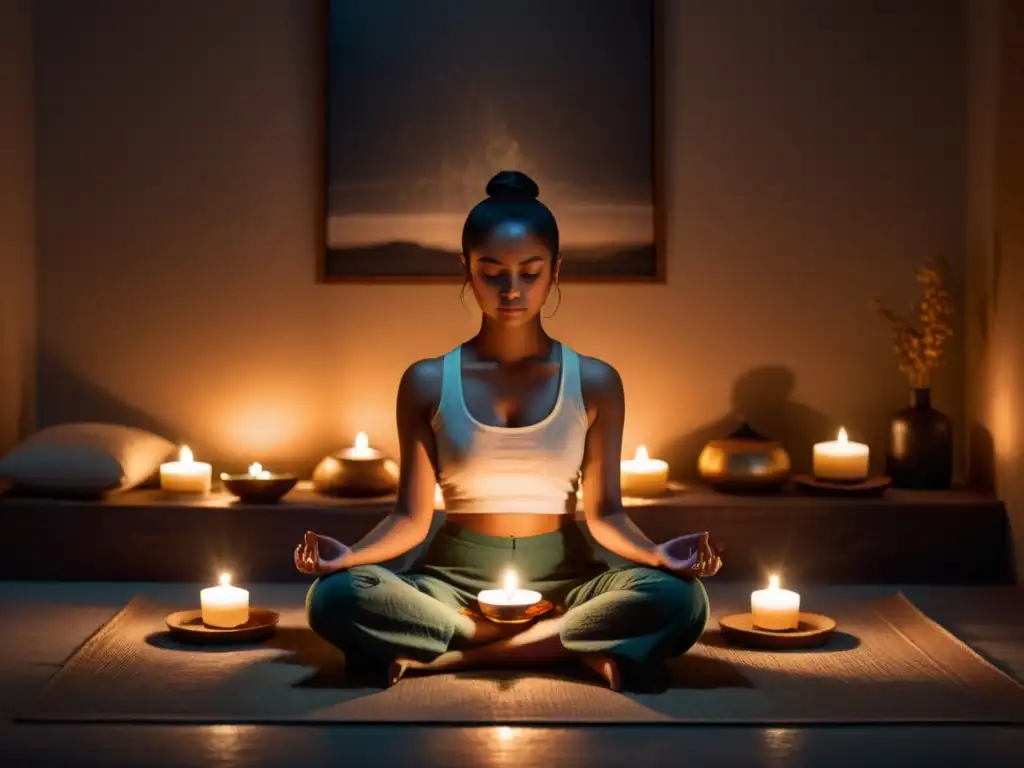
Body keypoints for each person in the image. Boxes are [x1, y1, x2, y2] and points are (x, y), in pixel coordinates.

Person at [297, 170, 722, 690]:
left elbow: (606, 513)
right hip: (451, 583)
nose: (511, 290)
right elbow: (410, 516)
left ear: (556, 270)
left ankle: (461, 656)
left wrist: (656, 555)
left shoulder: (595, 381)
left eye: (530, 271)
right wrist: (351, 557)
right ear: (467, 269)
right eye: (491, 271)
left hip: (568, 580)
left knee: (682, 600)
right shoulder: (427, 381)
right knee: (334, 597)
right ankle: (562, 646)